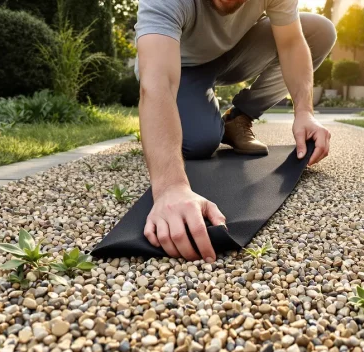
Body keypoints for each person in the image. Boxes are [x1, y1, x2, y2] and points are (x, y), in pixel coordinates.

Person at [134, 0, 336, 263]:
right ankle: (202, 110)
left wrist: (304, 111)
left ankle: (239, 117)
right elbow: (158, 83)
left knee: (319, 31)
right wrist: (170, 187)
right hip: (180, 63)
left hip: (232, 53)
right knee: (201, 143)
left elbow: (291, 44)